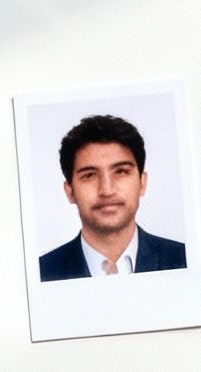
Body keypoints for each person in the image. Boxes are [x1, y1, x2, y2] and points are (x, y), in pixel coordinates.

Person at [39, 114, 186, 281]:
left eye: (121, 171)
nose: (107, 190)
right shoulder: (41, 274)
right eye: (89, 175)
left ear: (142, 183)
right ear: (70, 191)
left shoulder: (184, 260)